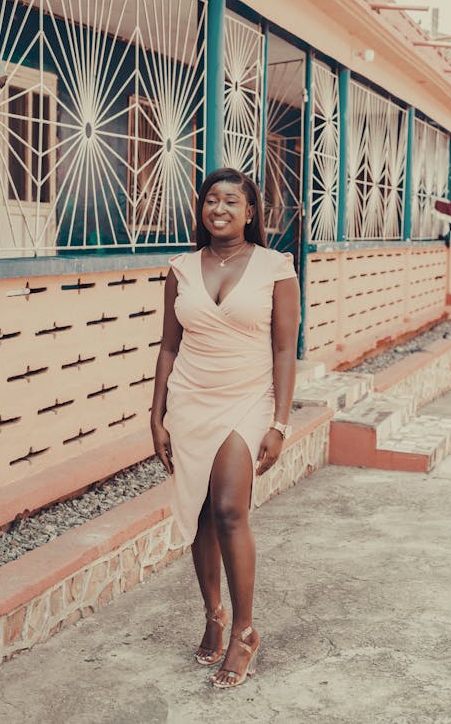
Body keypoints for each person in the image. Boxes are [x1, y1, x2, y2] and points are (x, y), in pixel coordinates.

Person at [150, 167, 300, 689]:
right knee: (198, 511)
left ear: (250, 212)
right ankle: (212, 613)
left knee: (231, 508)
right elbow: (168, 346)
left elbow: (285, 349)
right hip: (190, 398)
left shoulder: (276, 267)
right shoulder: (182, 268)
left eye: (231, 201)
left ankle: (245, 630)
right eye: (211, 200)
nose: (219, 209)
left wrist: (280, 420)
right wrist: (156, 414)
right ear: (202, 207)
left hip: (248, 397)